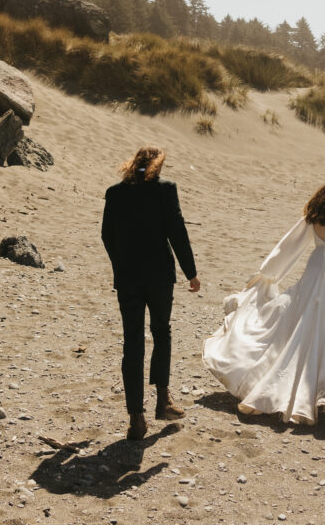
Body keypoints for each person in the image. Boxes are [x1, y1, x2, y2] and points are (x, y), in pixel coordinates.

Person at [203, 171, 325, 424]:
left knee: (304, 325)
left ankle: (305, 385)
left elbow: (290, 244)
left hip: (315, 267)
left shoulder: (317, 209)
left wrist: (268, 273)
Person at [102, 145, 200, 440]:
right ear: (158, 165)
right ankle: (163, 400)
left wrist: (120, 264)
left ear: (134, 163)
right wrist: (191, 272)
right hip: (159, 277)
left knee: (132, 343)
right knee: (161, 332)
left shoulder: (115, 193)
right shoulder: (165, 190)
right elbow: (177, 231)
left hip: (128, 278)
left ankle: (136, 418)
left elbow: (107, 235)